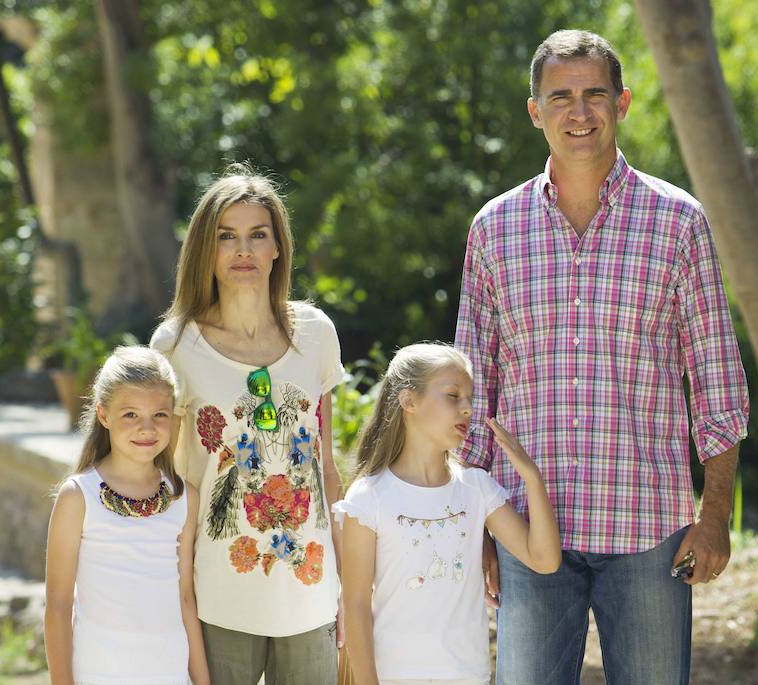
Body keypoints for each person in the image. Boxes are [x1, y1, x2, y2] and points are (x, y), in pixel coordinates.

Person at [455, 29, 750, 685]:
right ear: (535, 110)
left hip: (649, 530)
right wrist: (473, 525)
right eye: (560, 96)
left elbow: (718, 388)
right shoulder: (493, 230)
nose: (578, 111)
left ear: (622, 103)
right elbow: (473, 393)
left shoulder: (678, 222)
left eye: (594, 94)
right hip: (530, 529)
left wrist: (716, 516)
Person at [150, 165, 345, 684]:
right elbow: (165, 480)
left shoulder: (317, 334)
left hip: (311, 593)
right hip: (218, 595)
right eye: (226, 237)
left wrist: (346, 583)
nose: (244, 250)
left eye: (258, 235)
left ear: (278, 248)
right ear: (205, 251)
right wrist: (177, 594)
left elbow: (325, 466)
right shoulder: (174, 346)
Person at [334, 343, 561, 685]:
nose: (468, 408)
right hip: (394, 676)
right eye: (453, 396)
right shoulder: (369, 498)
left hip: (467, 676)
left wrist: (532, 476)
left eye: (470, 397)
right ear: (409, 401)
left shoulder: (477, 489)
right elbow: (355, 605)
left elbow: (545, 560)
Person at [44, 346, 209, 685]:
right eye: (131, 414)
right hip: (100, 674)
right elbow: (59, 605)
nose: (146, 429)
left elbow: (185, 599)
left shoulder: (184, 498)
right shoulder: (78, 497)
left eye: (159, 415)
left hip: (170, 674)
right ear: (104, 415)